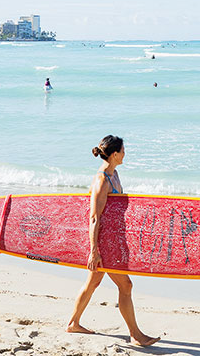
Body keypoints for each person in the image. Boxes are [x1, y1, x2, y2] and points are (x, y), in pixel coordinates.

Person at [67, 135, 159, 347]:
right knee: (126, 285)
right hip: (103, 244)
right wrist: (94, 250)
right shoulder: (101, 180)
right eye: (123, 150)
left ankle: (73, 323)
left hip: (112, 240)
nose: (125, 153)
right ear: (115, 154)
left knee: (93, 282)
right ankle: (136, 335)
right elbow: (94, 217)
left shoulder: (114, 175)